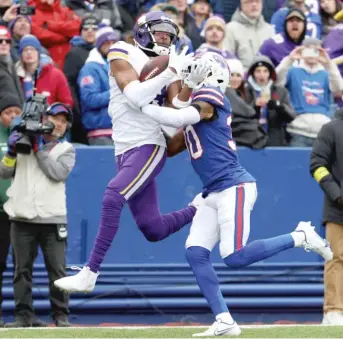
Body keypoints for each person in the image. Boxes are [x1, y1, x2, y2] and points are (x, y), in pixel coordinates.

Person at [138, 51, 334, 336]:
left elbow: (190, 113)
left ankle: (300, 236)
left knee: (234, 256)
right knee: (195, 253)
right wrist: (153, 122)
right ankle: (225, 321)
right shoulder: (195, 104)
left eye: (198, 69)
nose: (192, 73)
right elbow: (172, 147)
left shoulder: (211, 99)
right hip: (212, 191)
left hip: (234, 186)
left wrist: (146, 105)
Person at [54, 10, 205, 293]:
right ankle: (201, 207)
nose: (164, 38)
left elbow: (177, 109)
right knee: (153, 229)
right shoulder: (121, 50)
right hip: (123, 148)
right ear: (142, 30)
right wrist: (171, 71)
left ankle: (90, 273)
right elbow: (134, 95)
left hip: (149, 144)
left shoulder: (169, 62)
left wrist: (189, 85)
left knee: (113, 196)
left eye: (169, 36)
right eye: (160, 32)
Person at [0, 102, 74, 328]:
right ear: (45, 118)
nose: (58, 124)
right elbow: (4, 172)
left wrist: (38, 148)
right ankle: (23, 316)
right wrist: (12, 151)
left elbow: (57, 173)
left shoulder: (67, 150)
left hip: (53, 219)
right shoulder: (24, 141)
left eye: (63, 121)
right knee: (21, 271)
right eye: (55, 118)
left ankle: (61, 316)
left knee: (57, 271)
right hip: (21, 217)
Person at [310, 107, 343, 325]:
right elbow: (317, 165)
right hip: (337, 209)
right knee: (336, 259)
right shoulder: (330, 128)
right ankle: (334, 312)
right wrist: (337, 195)